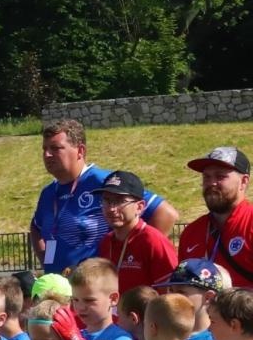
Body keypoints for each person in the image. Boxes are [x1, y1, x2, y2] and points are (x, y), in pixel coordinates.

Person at [31, 119, 178, 274]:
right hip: (57, 291)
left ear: (80, 151)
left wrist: (132, 258)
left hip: (96, 291)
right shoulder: (48, 192)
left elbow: (166, 214)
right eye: (45, 149)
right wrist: (46, 260)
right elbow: (36, 227)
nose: (47, 155)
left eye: (55, 148)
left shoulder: (105, 182)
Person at [178, 147, 253, 288]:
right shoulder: (191, 232)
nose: (212, 183)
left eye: (220, 176)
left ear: (243, 182)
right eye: (207, 177)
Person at [97, 170, 178, 291]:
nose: (112, 208)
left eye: (120, 201)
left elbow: (171, 292)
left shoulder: (153, 241)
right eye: (107, 200)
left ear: (139, 207)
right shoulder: (106, 242)